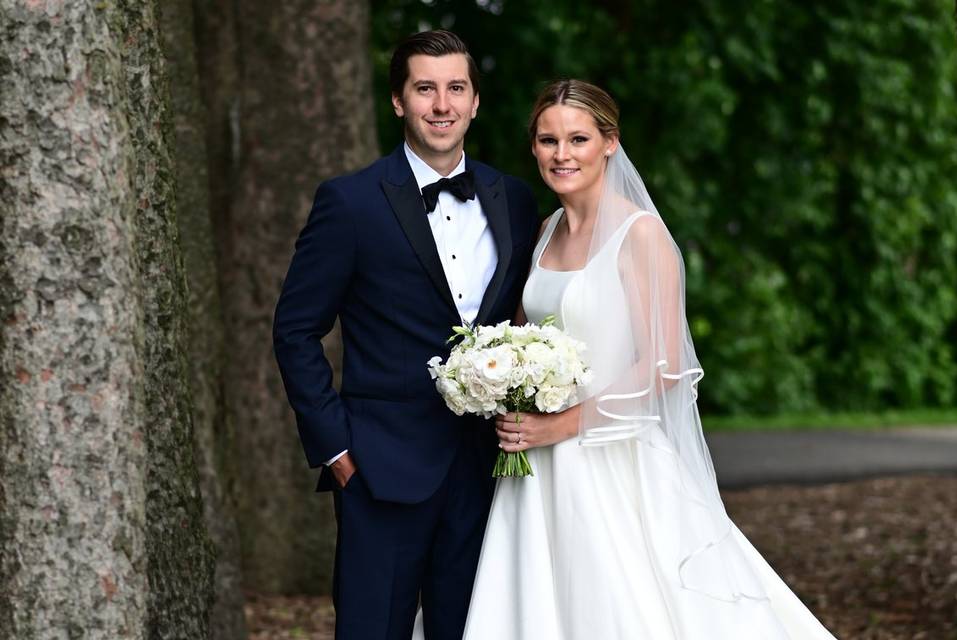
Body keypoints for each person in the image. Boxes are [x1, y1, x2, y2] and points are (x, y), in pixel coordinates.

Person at [460, 80, 838, 639]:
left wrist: (561, 424)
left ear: (609, 143)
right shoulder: (543, 234)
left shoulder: (640, 234)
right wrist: (502, 381)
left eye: (578, 139)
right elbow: (524, 337)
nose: (562, 154)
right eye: (547, 140)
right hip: (536, 467)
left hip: (612, 456)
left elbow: (662, 364)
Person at [272, 30, 540, 639]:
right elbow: (295, 330)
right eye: (425, 88)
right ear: (398, 100)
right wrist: (336, 450)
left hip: (489, 472)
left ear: (475, 101)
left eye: (456, 88)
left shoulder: (516, 201)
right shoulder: (350, 202)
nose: (441, 104)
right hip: (378, 469)